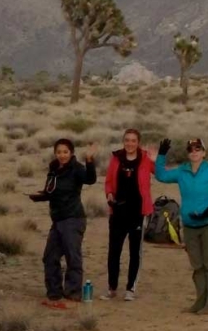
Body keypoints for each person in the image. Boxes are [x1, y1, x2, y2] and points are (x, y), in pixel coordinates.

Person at [154, 138, 208, 315]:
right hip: (190, 226)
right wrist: (161, 155)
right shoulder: (182, 172)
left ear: (204, 152)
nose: (194, 152)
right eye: (191, 149)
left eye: (197, 149)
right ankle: (200, 301)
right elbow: (161, 175)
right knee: (197, 266)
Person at [29, 139, 96, 309]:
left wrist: (89, 161)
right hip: (57, 219)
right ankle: (54, 293)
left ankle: (73, 294)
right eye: (59, 152)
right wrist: (41, 196)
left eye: (65, 152)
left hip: (73, 218)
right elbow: (51, 191)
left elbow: (90, 179)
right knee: (50, 257)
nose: (62, 155)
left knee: (72, 257)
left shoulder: (76, 168)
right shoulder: (53, 169)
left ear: (71, 153)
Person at [100, 129, 154, 302]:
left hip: (138, 212)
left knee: (134, 252)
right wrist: (109, 195)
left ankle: (130, 288)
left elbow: (160, 172)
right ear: (123, 141)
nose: (130, 143)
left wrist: (158, 159)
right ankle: (112, 288)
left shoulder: (145, 158)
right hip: (118, 212)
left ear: (138, 142)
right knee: (113, 251)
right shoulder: (116, 158)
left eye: (133, 140)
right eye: (127, 140)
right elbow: (108, 182)